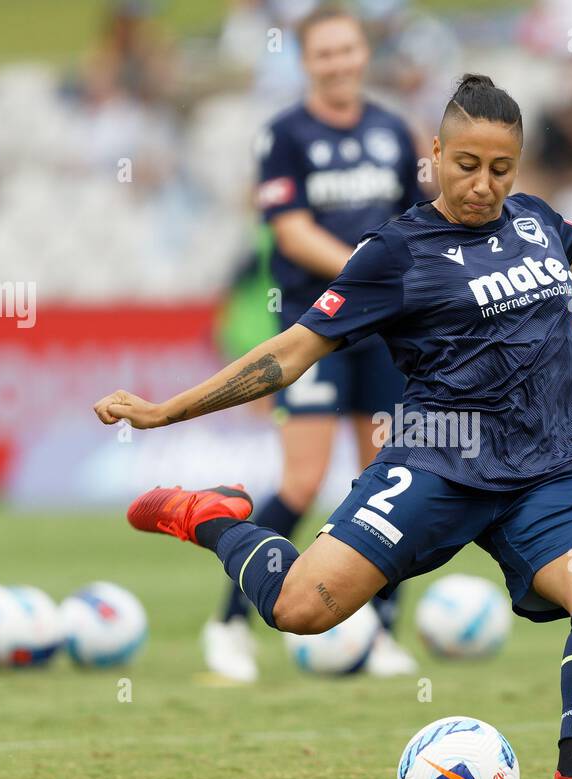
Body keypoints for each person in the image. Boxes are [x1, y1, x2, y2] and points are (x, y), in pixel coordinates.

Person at [94, 74, 572, 779]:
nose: (483, 184)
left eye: (501, 169)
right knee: (299, 609)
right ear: (436, 153)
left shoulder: (536, 224)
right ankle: (208, 514)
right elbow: (294, 350)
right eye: (466, 165)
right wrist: (169, 409)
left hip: (547, 469)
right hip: (437, 463)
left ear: (519, 165)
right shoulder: (396, 253)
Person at [204, 5, 423, 681]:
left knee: (391, 483)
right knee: (301, 480)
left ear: (363, 53)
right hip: (314, 327)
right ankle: (230, 624)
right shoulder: (284, 135)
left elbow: (413, 223)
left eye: (347, 50)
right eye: (324, 53)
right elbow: (291, 232)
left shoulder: (392, 132)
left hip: (384, 333)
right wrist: (368, 274)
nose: (338, 62)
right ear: (306, 61)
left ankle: (381, 630)